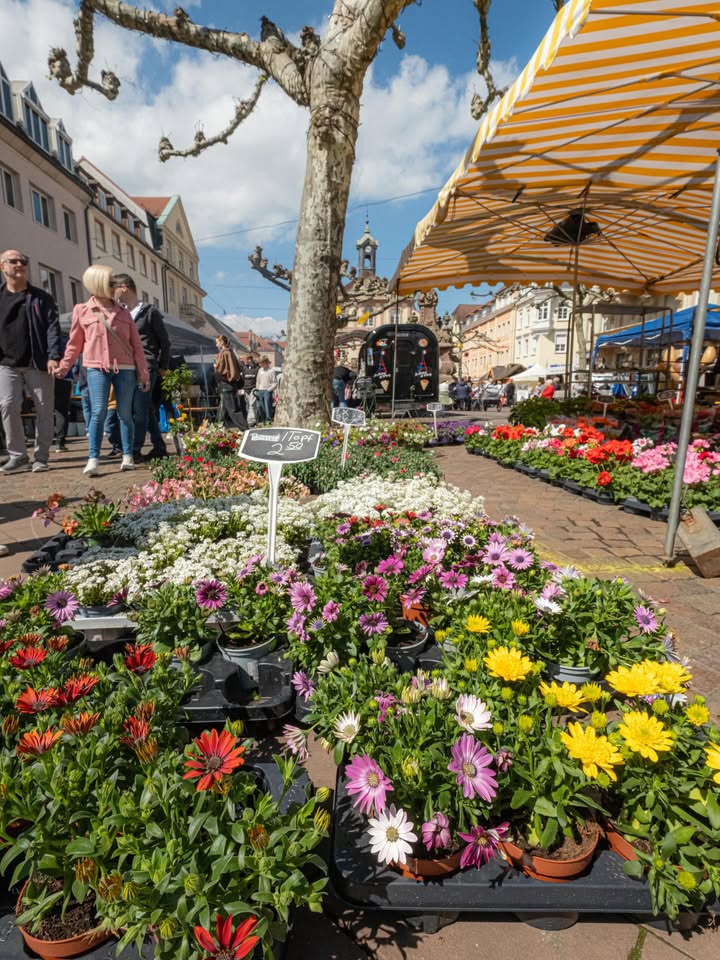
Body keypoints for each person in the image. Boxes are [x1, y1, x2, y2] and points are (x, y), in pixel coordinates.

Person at [54, 264, 149, 476]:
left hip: (124, 368)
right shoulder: (82, 310)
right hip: (96, 367)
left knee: (125, 413)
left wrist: (143, 373)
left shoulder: (123, 312)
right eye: (110, 282)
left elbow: (137, 347)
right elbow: (74, 344)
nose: (114, 286)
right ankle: (93, 458)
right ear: (98, 284)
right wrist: (64, 366)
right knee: (98, 412)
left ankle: (127, 455)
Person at [0, 249, 62, 474]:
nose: (19, 264)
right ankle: (18, 456)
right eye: (13, 261)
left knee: (44, 409)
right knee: (7, 405)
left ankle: (41, 457)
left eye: (23, 261)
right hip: (7, 363)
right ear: (3, 267)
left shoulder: (41, 297)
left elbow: (53, 328)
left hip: (38, 362)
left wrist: (54, 356)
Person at [112, 274, 170, 461]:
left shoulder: (148, 311)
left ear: (124, 287)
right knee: (145, 408)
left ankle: (135, 449)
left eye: (113, 288)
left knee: (139, 408)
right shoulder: (120, 313)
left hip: (147, 365)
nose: (112, 293)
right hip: (126, 365)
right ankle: (159, 446)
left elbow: (164, 341)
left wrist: (163, 366)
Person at [213, 335, 248, 429]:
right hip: (230, 384)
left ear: (222, 342)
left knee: (233, 409)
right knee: (223, 408)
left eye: (217, 342)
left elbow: (220, 370)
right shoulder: (230, 352)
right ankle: (217, 427)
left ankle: (245, 429)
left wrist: (216, 366)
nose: (216, 344)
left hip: (226, 384)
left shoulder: (224, 353)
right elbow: (239, 367)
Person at [255, 357, 278, 423]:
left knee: (267, 405)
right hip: (260, 390)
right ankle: (263, 419)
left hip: (267, 390)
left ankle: (268, 419)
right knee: (259, 406)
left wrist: (269, 390)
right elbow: (258, 380)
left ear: (266, 363)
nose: (261, 365)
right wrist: (257, 388)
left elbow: (275, 382)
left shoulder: (271, 371)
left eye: (262, 363)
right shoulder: (260, 370)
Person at [239, 354, 259, 426]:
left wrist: (257, 388)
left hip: (253, 389)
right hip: (246, 389)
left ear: (249, 360)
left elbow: (257, 379)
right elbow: (243, 379)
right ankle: (251, 419)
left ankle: (252, 421)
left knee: (252, 405)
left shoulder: (256, 368)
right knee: (247, 405)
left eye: (245, 360)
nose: (244, 361)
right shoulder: (244, 368)